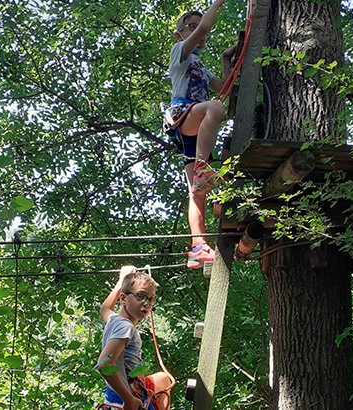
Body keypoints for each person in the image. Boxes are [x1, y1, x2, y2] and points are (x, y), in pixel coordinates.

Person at [165, 0, 237, 269]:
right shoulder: (179, 53)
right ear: (180, 34)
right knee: (214, 108)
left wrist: (225, 59)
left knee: (197, 193)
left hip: (196, 130)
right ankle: (203, 168)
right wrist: (217, 4)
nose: (199, 32)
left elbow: (226, 91)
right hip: (183, 113)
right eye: (192, 28)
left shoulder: (202, 69)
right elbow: (206, 23)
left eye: (200, 30)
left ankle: (197, 246)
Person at [96, 266, 171, 410]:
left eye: (150, 299)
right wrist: (129, 400)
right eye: (140, 296)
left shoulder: (114, 320)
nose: (146, 303)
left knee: (163, 378)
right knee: (163, 380)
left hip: (114, 393)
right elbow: (104, 365)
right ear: (123, 299)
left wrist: (120, 282)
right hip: (125, 396)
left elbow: (104, 309)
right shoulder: (126, 327)